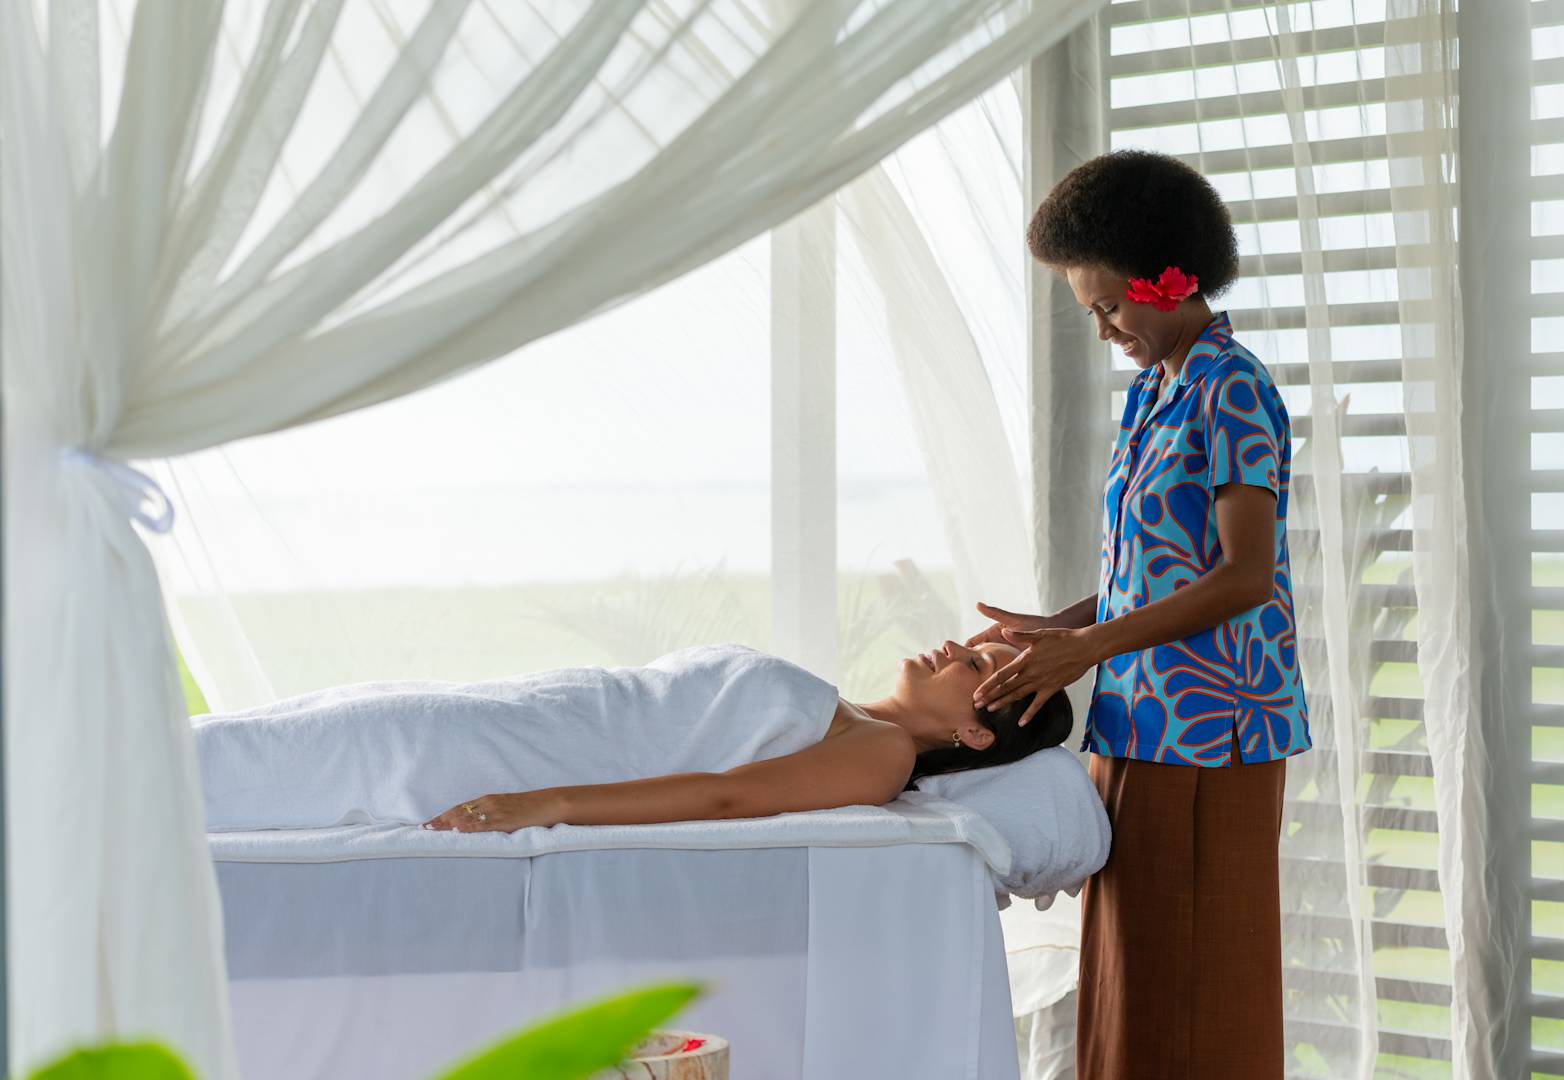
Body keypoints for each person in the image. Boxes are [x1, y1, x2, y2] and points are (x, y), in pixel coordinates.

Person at [970, 149, 1311, 1079]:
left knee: (1202, 987)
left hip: (1214, 734)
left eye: (1109, 305)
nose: (1104, 327)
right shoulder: (1153, 391)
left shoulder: (1231, 386)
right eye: (1092, 311)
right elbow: (1153, 572)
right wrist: (1059, 627)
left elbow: (1246, 578)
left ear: (1172, 276)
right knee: (1134, 980)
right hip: (1135, 725)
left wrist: (1086, 645)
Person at [422, 640, 1073, 833]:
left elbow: (726, 798)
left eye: (980, 666)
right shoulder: (844, 713)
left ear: (974, 734)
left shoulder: (884, 750)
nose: (957, 646)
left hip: (519, 751)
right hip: (517, 710)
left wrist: (547, 803)